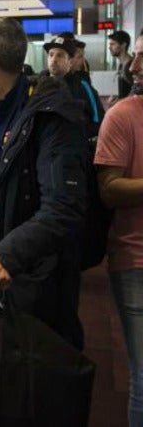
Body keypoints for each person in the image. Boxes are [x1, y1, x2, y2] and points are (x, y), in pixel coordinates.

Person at [0, 17, 86, 350]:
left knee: (19, 388)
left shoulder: (51, 116)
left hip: (25, 279)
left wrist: (8, 255)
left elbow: (64, 207)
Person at [94, 31, 143, 427]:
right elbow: (109, 190)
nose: (134, 65)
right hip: (136, 258)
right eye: (135, 55)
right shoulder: (123, 115)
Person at [109, 30, 134, 105]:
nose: (109, 47)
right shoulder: (121, 65)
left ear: (123, 45)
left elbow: (138, 93)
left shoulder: (130, 66)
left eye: (113, 44)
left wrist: (119, 101)